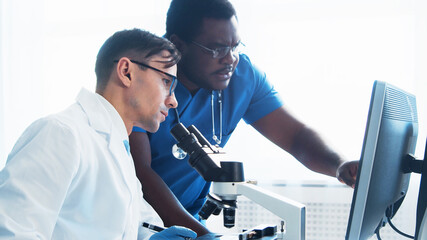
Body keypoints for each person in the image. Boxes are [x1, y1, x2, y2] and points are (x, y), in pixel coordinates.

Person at [129, 0, 359, 236]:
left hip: (192, 221)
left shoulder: (241, 77)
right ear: (178, 45)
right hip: (139, 224)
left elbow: (296, 136)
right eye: (217, 49)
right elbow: (140, 173)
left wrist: (339, 165)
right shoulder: (142, 81)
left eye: (235, 47)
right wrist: (204, 236)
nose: (230, 59)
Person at [0, 28, 196, 240]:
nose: (173, 101)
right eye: (167, 82)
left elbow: (136, 224)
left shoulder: (118, 148)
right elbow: (13, 232)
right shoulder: (62, 133)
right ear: (126, 71)